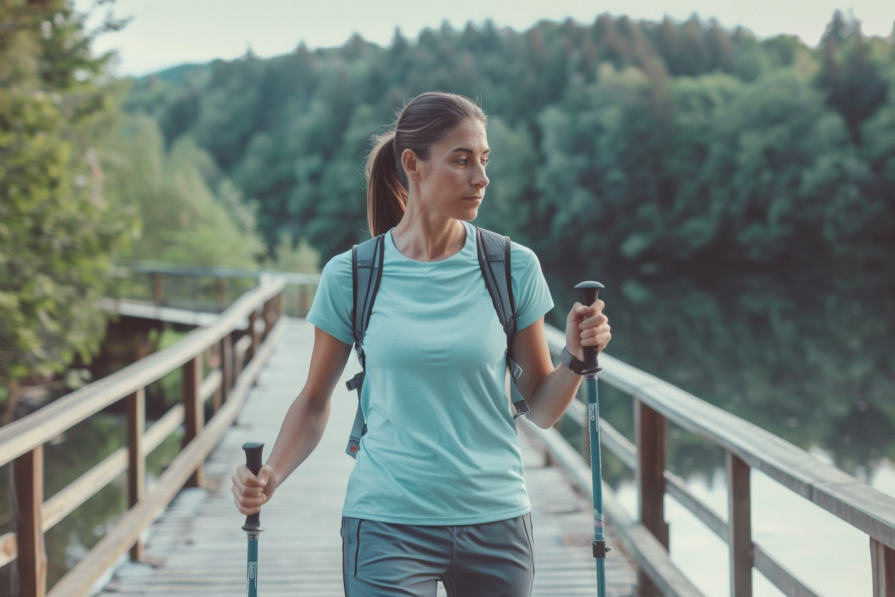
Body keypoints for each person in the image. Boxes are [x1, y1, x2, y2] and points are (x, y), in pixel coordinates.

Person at [232, 91, 611, 597]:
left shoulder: (510, 266)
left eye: (484, 160)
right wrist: (272, 473)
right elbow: (314, 401)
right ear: (413, 164)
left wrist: (576, 359)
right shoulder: (352, 275)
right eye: (461, 161)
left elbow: (542, 409)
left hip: (495, 517)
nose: (481, 178)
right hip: (386, 520)